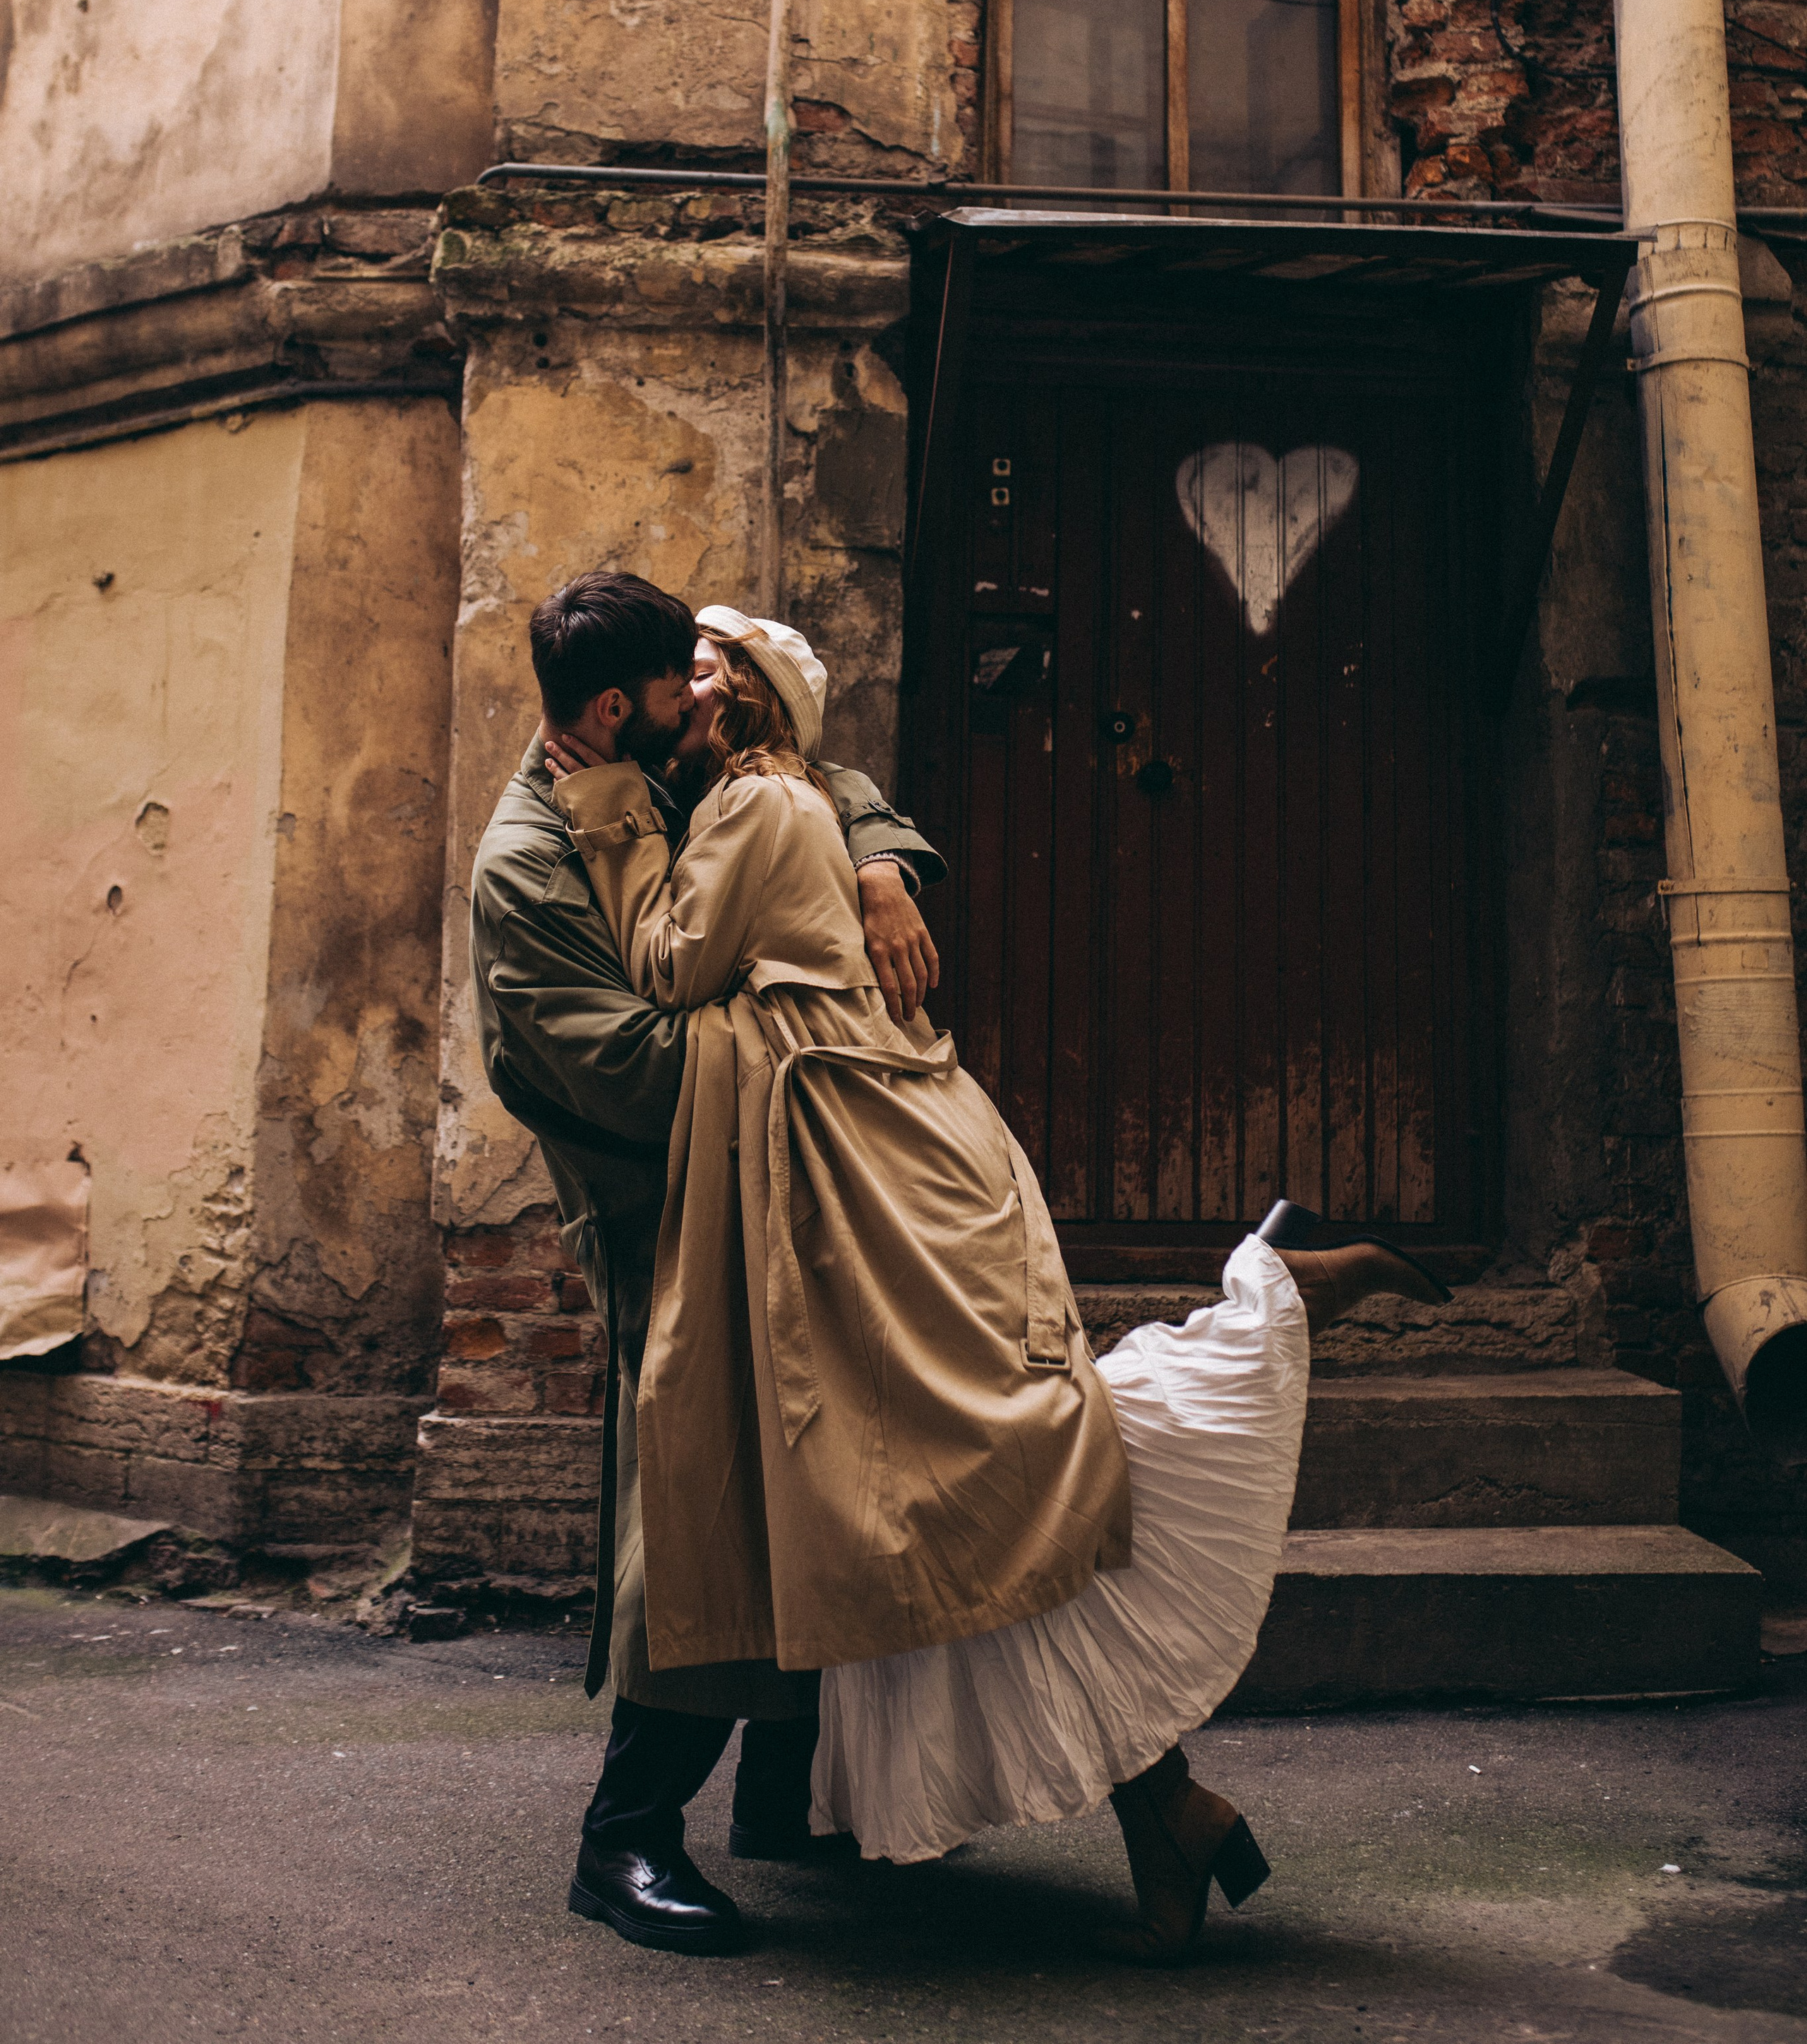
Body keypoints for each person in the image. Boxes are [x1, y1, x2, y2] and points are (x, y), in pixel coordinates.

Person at [549, 603, 1452, 1964]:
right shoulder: (780, 803)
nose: (687, 683)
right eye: (681, 666)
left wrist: (608, 812)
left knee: (987, 1465)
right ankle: (1170, 1815)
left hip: (859, 1167)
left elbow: (669, 965)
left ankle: (1264, 1295)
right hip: (879, 1146)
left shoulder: (748, 805)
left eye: (709, 668)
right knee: (959, 1485)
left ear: (743, 706)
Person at [467, 571, 947, 1957]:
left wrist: (871, 869)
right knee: (700, 1509)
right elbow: (604, 1062)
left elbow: (813, 773)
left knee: (822, 1478)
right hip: (664, 1201)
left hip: (773, 1175)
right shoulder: (529, 857)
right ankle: (621, 1843)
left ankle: (784, 1801)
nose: (707, 696)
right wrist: (817, 1034)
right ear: (620, 705)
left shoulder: (665, 764)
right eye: (686, 678)